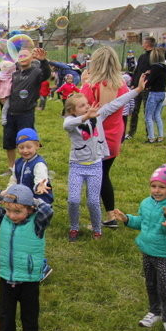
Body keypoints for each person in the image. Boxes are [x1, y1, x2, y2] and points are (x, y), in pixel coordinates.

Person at [62, 77, 144, 241]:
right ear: (72, 111)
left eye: (87, 104)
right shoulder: (71, 121)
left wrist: (138, 90)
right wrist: (85, 118)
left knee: (93, 201)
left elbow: (117, 102)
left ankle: (97, 229)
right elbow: (67, 126)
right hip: (77, 166)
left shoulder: (98, 115)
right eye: (82, 106)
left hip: (95, 166)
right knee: (73, 200)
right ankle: (74, 227)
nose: (87, 107)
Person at [112, 164, 166, 331]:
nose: (157, 191)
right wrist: (127, 219)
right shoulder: (146, 203)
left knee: (165, 287)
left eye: (162, 187)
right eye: (154, 186)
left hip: (165, 254)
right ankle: (155, 311)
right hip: (147, 251)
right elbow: (142, 222)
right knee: (151, 284)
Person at [0, 184, 53, 331]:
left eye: (17, 212)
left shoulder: (37, 223)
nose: (11, 215)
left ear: (29, 209)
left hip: (29, 278)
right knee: (5, 311)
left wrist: (31, 199)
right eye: (8, 210)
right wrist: (2, 194)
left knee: (29, 311)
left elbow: (47, 211)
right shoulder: (2, 220)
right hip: (6, 275)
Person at [80, 46, 132, 228]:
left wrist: (82, 83)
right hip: (115, 134)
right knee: (104, 175)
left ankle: (99, 220)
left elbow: (81, 109)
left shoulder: (91, 85)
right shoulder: (122, 86)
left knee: (94, 177)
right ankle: (110, 215)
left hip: (96, 136)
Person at [1, 48, 51, 173]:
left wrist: (43, 61)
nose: (23, 57)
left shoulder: (36, 72)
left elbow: (46, 74)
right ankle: (11, 168)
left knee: (27, 141)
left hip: (26, 113)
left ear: (31, 58)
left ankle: (29, 166)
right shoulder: (14, 73)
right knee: (9, 141)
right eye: (20, 55)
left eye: (26, 55)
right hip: (11, 113)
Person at [8, 128, 52, 205]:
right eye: (21, 147)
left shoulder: (39, 164)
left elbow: (40, 179)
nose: (25, 151)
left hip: (37, 199)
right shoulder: (18, 162)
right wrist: (10, 191)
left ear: (37, 146)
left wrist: (39, 186)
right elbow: (14, 179)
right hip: (22, 198)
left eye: (29, 147)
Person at [127, 36, 156, 139]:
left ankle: (150, 133)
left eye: (143, 43)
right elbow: (138, 70)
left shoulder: (154, 57)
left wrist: (148, 84)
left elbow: (154, 72)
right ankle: (131, 132)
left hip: (147, 88)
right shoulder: (142, 56)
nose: (142, 44)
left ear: (147, 44)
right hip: (137, 87)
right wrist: (134, 82)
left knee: (147, 111)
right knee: (134, 110)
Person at [143, 47, 166, 143]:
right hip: (162, 93)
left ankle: (151, 137)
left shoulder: (155, 67)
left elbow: (150, 81)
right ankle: (161, 135)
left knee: (148, 116)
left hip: (154, 93)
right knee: (157, 115)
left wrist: (146, 79)